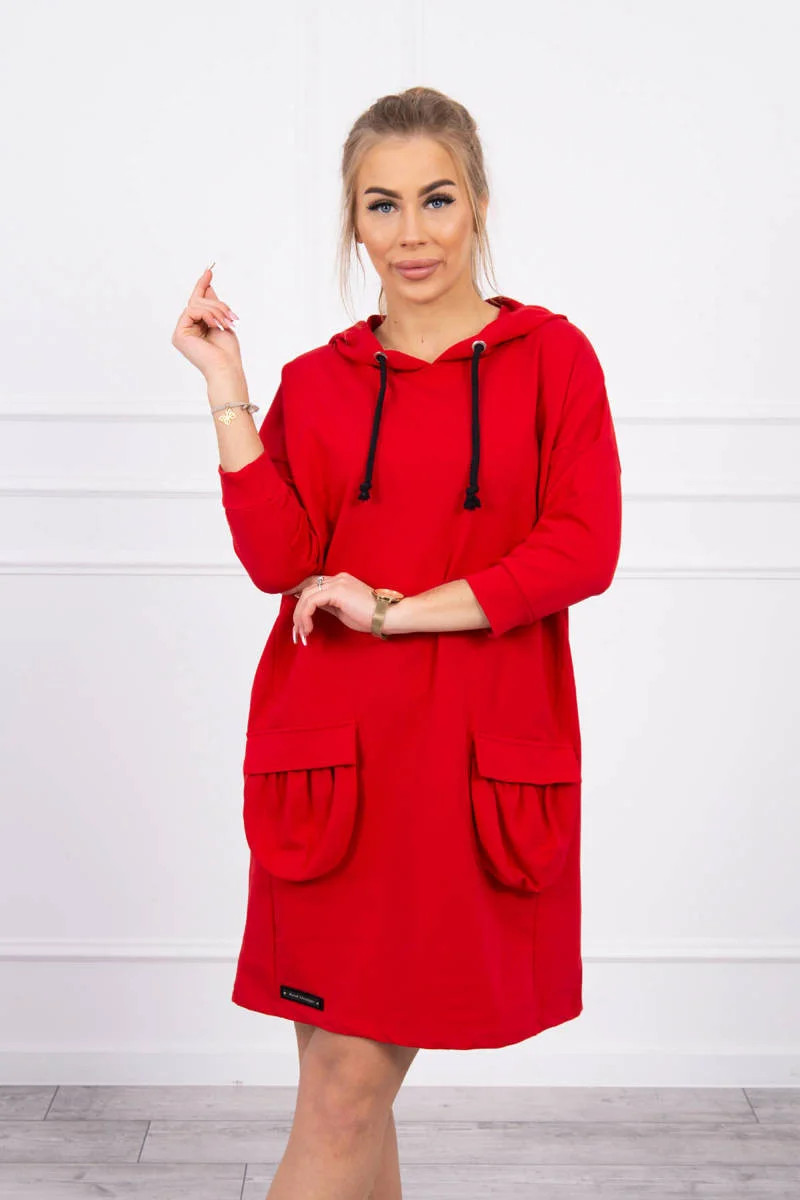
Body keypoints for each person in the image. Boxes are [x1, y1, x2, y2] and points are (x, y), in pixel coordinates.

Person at [172, 85, 622, 1200]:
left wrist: (394, 609)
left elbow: (581, 549)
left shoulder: (553, 359)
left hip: (467, 774)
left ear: (477, 203)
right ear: (354, 221)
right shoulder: (317, 383)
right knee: (343, 1100)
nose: (411, 233)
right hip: (332, 771)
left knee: (343, 1095)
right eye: (382, 205)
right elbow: (280, 560)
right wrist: (228, 389)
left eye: (435, 199)